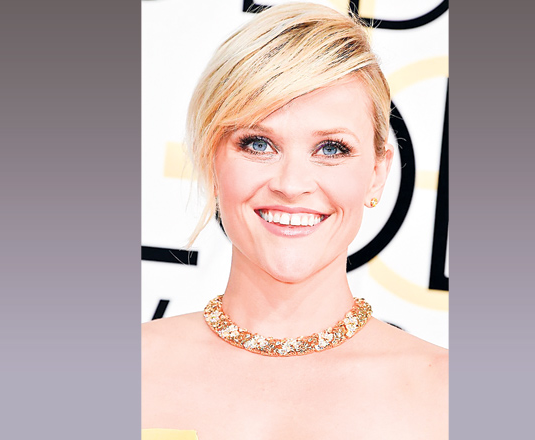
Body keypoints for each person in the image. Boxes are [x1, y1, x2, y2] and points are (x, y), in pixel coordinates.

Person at [142, 3, 448, 439]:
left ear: (378, 173)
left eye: (331, 149)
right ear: (212, 161)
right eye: (258, 144)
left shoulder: (445, 392)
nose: (291, 184)